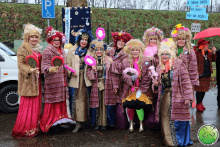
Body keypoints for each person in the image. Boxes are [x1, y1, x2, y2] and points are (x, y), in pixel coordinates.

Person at [154, 38, 193, 146]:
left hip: (178, 97)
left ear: (171, 54)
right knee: (165, 119)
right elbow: (157, 85)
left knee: (179, 120)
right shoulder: (159, 67)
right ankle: (169, 141)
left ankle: (180, 141)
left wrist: (188, 97)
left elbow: (186, 81)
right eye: (162, 54)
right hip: (164, 97)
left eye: (167, 54)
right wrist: (156, 84)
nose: (164, 56)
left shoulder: (179, 64)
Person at [40, 26, 74, 133]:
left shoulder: (62, 50)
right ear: (50, 40)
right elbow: (43, 67)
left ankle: (59, 122)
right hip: (52, 82)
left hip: (62, 82)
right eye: (54, 40)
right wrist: (50, 69)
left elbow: (64, 65)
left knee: (60, 103)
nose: (57, 42)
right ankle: (50, 124)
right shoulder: (47, 51)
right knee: (52, 104)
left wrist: (71, 70)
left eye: (58, 40)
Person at [11, 24, 43, 138]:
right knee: (27, 106)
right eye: (32, 37)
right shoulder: (23, 48)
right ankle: (25, 129)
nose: (34, 39)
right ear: (27, 38)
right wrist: (30, 70)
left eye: (36, 37)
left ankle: (34, 128)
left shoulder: (38, 49)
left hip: (37, 82)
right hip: (27, 82)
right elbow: (20, 65)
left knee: (36, 105)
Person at [121, 39, 153, 132]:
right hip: (129, 88)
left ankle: (141, 123)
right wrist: (131, 80)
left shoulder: (146, 60)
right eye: (133, 50)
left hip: (141, 88)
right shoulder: (126, 61)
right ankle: (131, 123)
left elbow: (147, 77)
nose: (135, 52)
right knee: (130, 106)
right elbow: (124, 75)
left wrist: (141, 89)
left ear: (140, 50)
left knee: (139, 106)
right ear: (129, 51)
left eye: (137, 50)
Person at [86, 39, 118, 130]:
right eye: (97, 50)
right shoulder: (91, 61)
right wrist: (93, 70)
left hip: (107, 84)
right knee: (97, 103)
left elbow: (113, 74)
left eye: (101, 49)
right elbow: (88, 74)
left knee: (105, 103)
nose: (99, 51)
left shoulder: (109, 60)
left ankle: (105, 123)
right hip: (96, 85)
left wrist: (115, 86)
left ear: (104, 50)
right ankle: (97, 122)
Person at [66, 29, 94, 133]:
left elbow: (95, 62)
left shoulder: (90, 51)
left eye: (86, 40)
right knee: (76, 101)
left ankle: (83, 121)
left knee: (85, 101)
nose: (84, 42)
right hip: (75, 79)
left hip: (86, 79)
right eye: (82, 39)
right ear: (78, 40)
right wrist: (70, 72)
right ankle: (77, 123)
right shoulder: (72, 51)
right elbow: (67, 64)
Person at [107, 31, 133, 129]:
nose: (120, 43)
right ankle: (110, 122)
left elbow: (124, 68)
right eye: (119, 40)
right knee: (110, 102)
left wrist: (112, 63)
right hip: (109, 80)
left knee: (119, 102)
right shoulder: (111, 51)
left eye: (123, 41)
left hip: (120, 81)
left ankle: (120, 123)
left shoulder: (126, 54)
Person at [142, 27, 163, 130]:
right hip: (146, 75)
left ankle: (154, 118)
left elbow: (162, 62)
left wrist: (153, 59)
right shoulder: (144, 49)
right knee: (146, 96)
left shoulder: (160, 49)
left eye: (155, 39)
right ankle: (144, 118)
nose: (153, 41)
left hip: (156, 75)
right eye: (151, 39)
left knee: (155, 96)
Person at [171, 24, 199, 89]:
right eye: (179, 39)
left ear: (186, 40)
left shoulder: (190, 51)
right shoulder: (172, 50)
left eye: (183, 39)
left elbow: (193, 68)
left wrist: (192, 83)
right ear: (176, 40)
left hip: (186, 81)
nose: (181, 41)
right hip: (173, 81)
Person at [194, 39, 216, 111]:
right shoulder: (197, 53)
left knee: (204, 90)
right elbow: (193, 63)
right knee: (199, 91)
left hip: (207, 74)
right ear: (202, 45)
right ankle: (197, 104)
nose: (208, 46)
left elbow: (213, 59)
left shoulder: (208, 53)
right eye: (206, 44)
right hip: (200, 74)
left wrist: (214, 52)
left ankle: (200, 103)